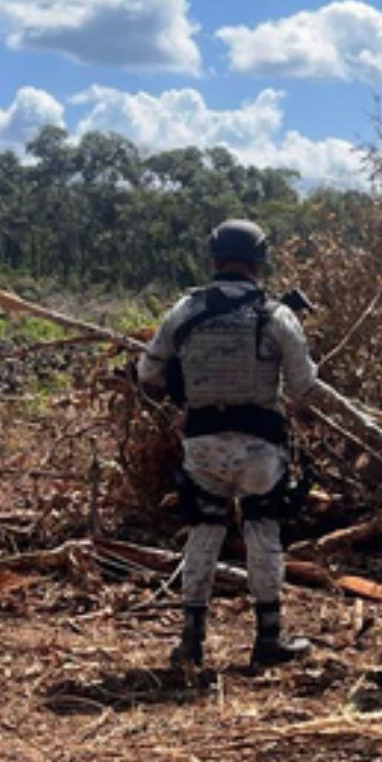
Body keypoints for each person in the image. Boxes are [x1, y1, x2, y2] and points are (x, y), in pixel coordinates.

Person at [138, 219, 317, 673]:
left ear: (215, 259)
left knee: (204, 532)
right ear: (259, 262)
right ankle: (268, 639)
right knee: (263, 531)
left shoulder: (184, 310)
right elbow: (303, 385)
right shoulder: (276, 315)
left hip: (203, 446)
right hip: (261, 448)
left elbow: (147, 373)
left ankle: (191, 642)